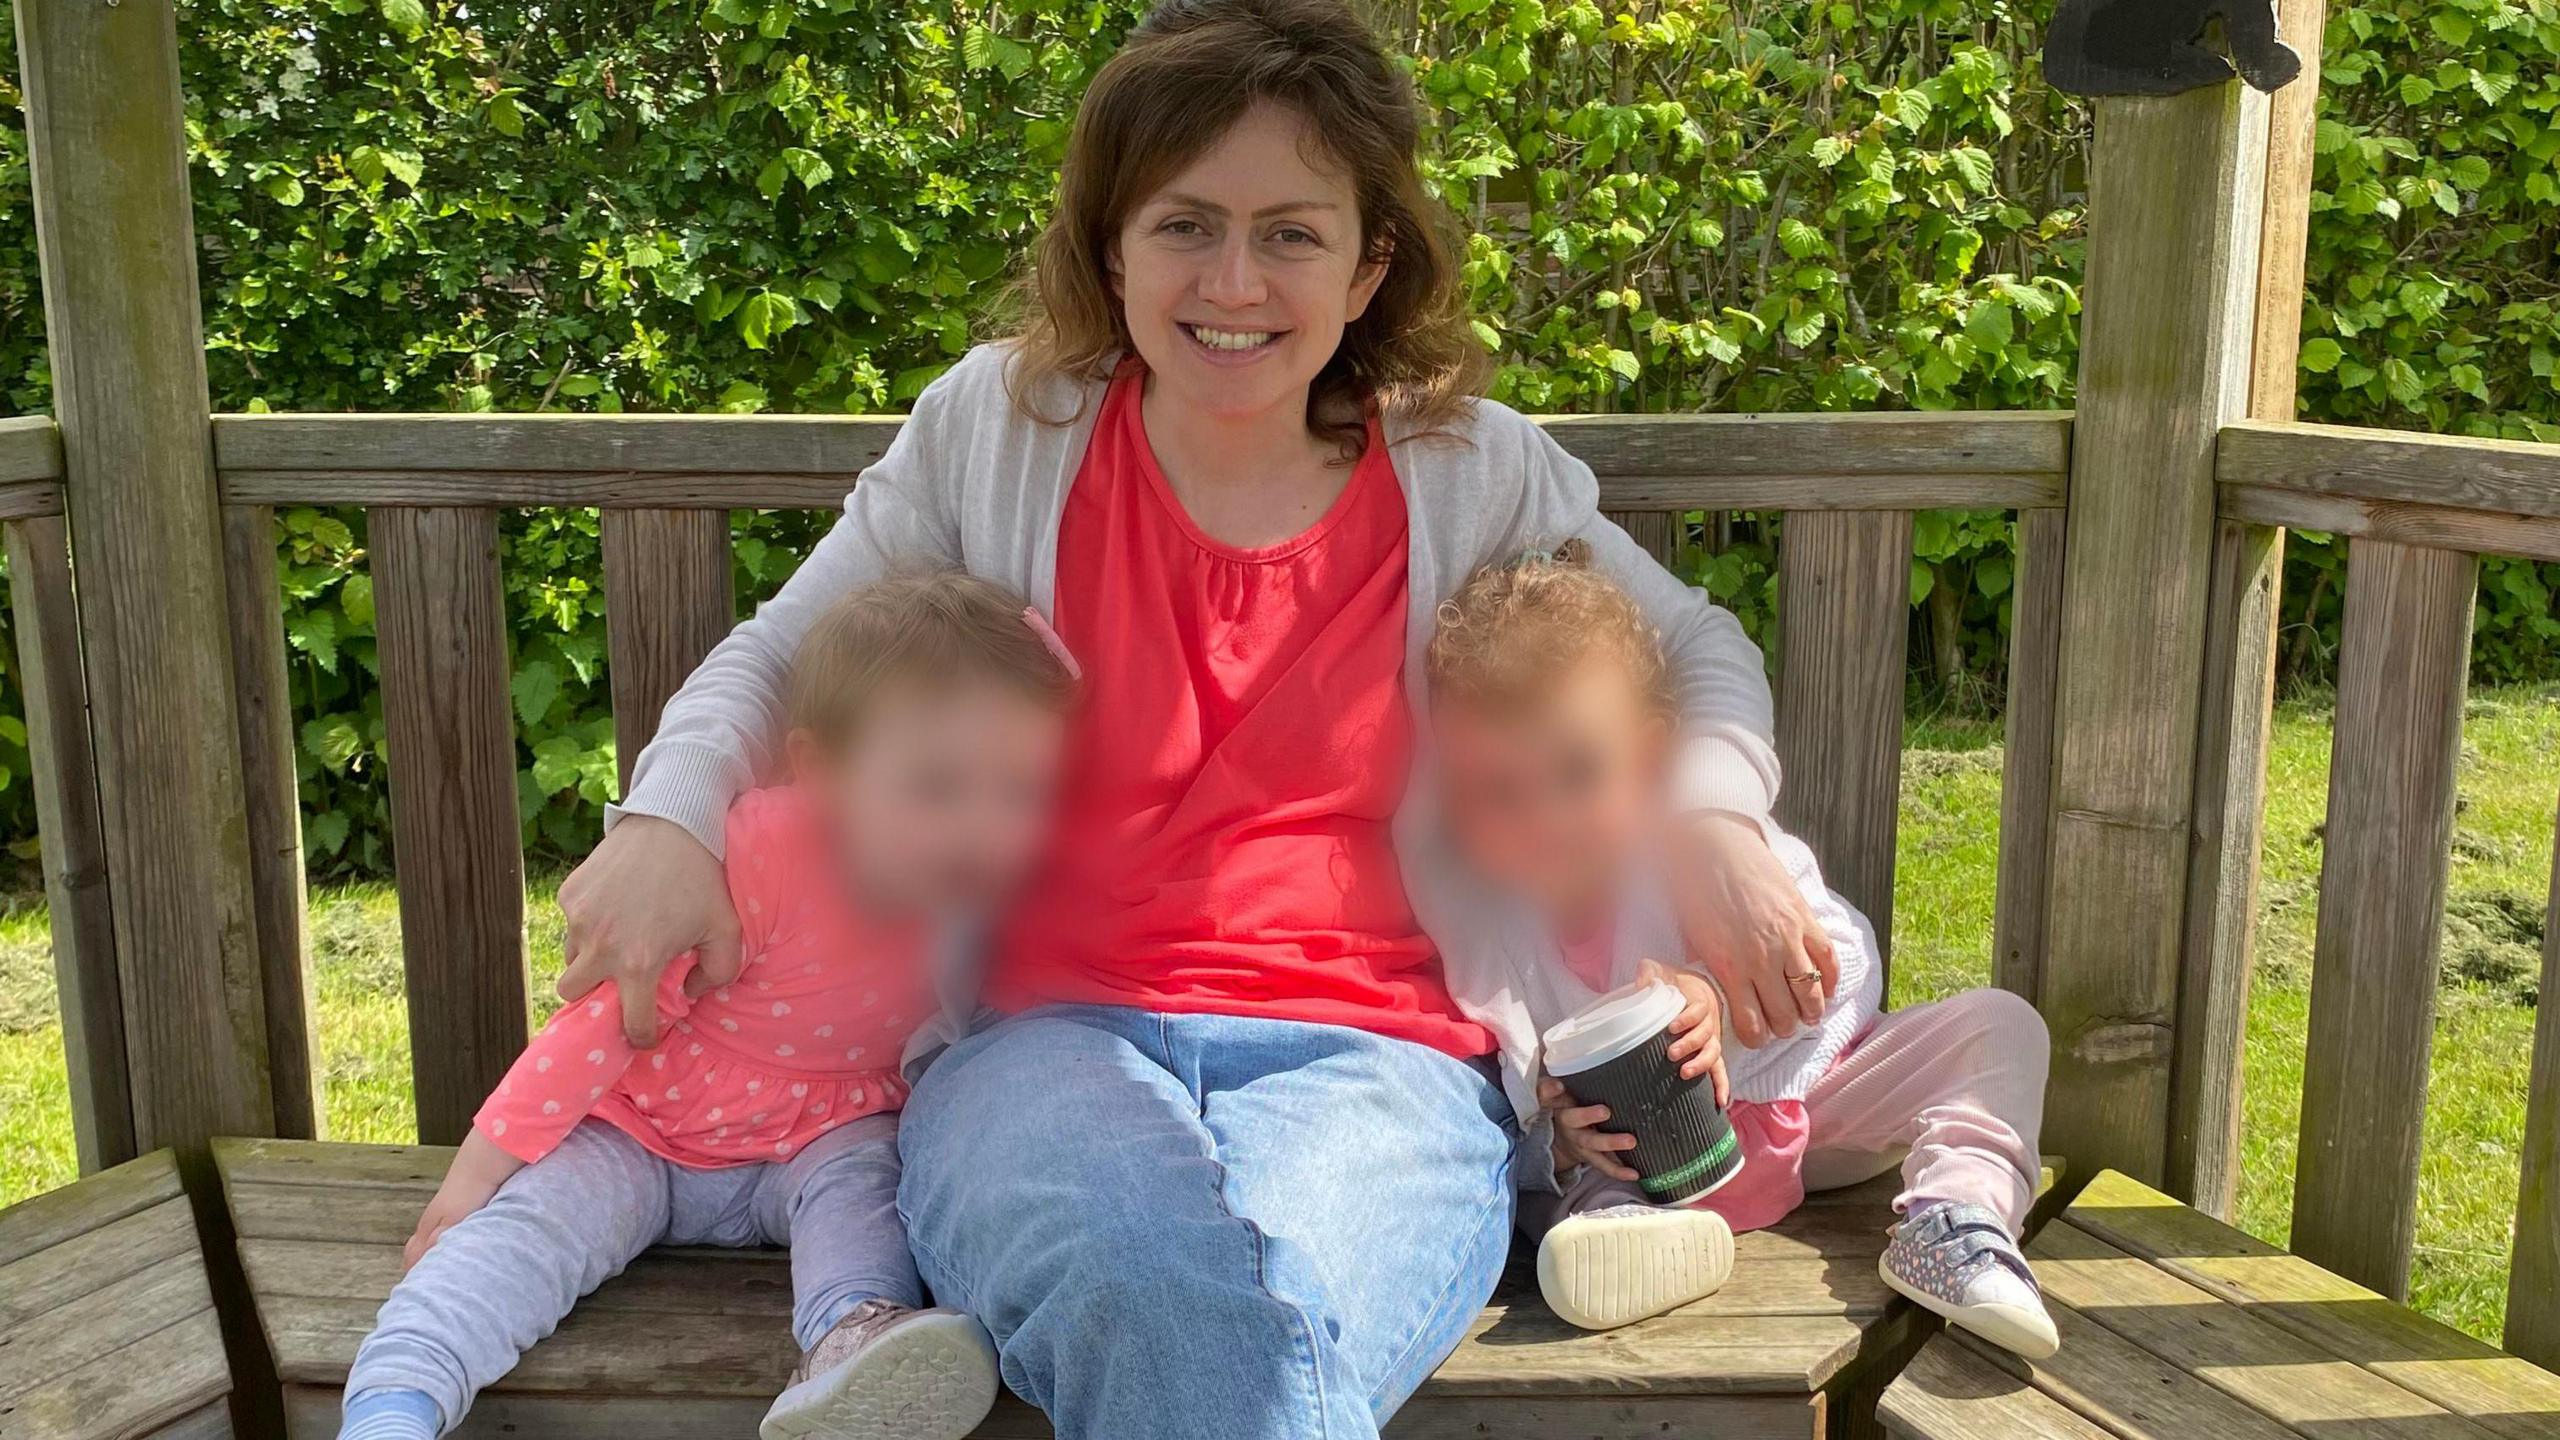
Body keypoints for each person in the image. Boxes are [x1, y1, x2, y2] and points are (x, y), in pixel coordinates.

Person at [554, 2, 1845, 1434]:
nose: (1235, 279)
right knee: (1165, 1295)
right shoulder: (1001, 430)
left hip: (1383, 1066)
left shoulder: (1469, 468)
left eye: (1292, 231)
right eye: (1185, 224)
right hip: (1041, 1049)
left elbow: (1696, 647)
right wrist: (666, 817)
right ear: (1113, 249)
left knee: (1258, 1319)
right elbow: (780, 654)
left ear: (1369, 268)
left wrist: (1714, 816)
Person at [337, 574, 1079, 1440]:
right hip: (645, 1127)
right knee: (524, 1239)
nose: (981, 829)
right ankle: (398, 1398)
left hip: (817, 1135)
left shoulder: (987, 892)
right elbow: (604, 1020)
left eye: (1020, 792)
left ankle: (851, 1343)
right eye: (937, 787)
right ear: (820, 773)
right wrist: (471, 1182)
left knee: (864, 1187)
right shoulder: (756, 853)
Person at [1425, 545, 2058, 1357]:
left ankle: (1955, 1221)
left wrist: (1721, 997)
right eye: (1499, 793)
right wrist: (1557, 1132)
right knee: (1577, 1190)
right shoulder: (1486, 929)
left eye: (1578, 773)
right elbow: (1496, 1094)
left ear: (1650, 758)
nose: (1545, 820)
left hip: (1816, 1106)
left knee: (1999, 1026)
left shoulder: (1691, 859)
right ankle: (1630, 1248)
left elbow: (1842, 962)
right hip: (1648, 1171)